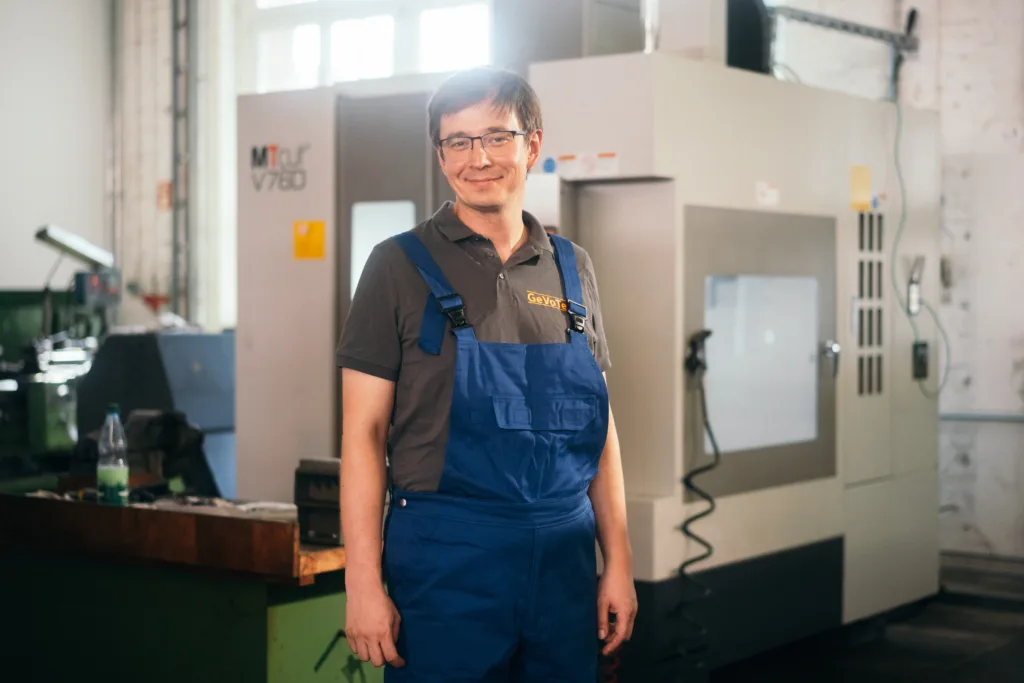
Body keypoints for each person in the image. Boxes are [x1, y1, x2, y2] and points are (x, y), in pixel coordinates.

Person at [338, 66, 637, 682]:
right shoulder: (396, 266)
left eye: (496, 136)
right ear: (441, 155)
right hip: (449, 561)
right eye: (458, 141)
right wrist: (362, 583)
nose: (478, 158)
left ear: (531, 145)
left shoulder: (571, 269)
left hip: (563, 558)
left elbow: (602, 429)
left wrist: (619, 561)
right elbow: (362, 435)